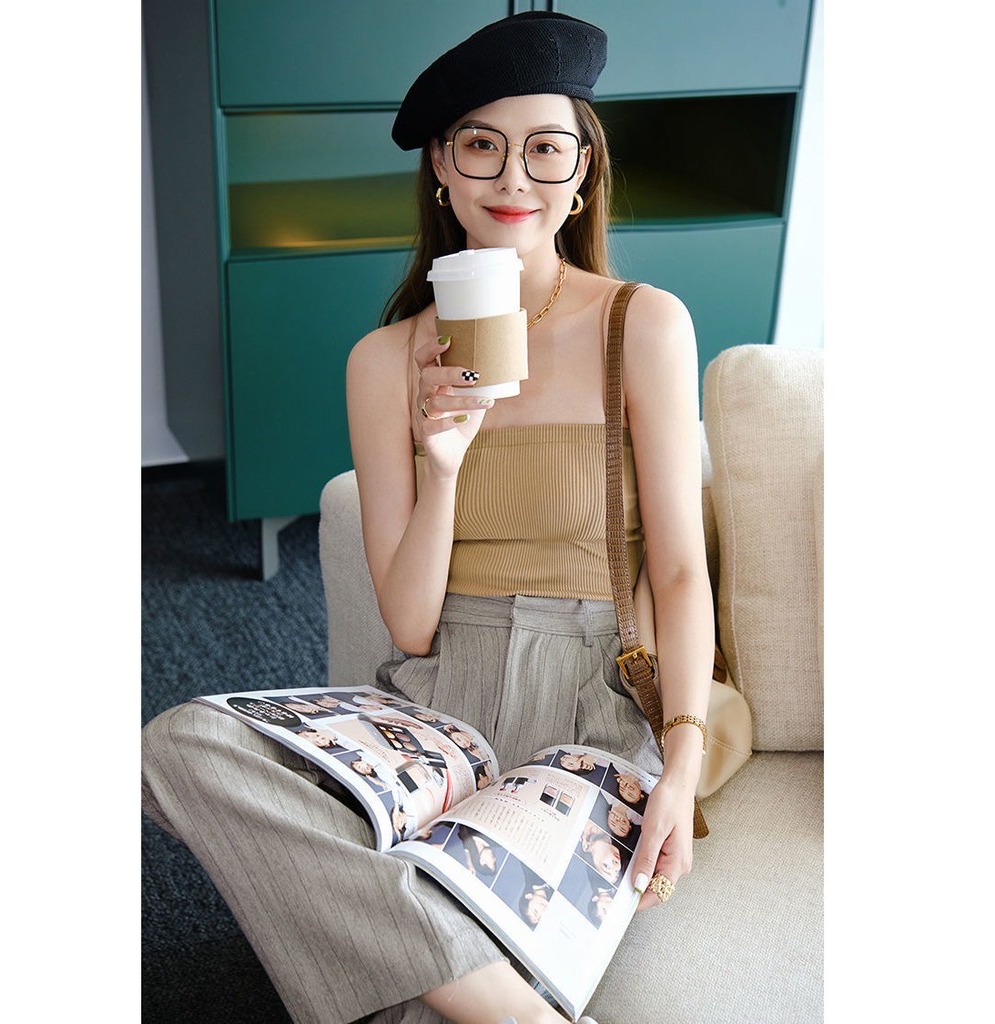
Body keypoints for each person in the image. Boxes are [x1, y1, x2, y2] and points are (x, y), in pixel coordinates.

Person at [142, 12, 712, 1024]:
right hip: (437, 707)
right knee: (180, 745)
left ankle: (429, 959)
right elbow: (409, 625)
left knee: (419, 1005)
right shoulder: (382, 360)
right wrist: (441, 463)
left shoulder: (643, 324)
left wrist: (683, 760)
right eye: (480, 145)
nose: (514, 177)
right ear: (441, 170)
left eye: (546, 149)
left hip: (591, 712)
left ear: (582, 172)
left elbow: (677, 573)